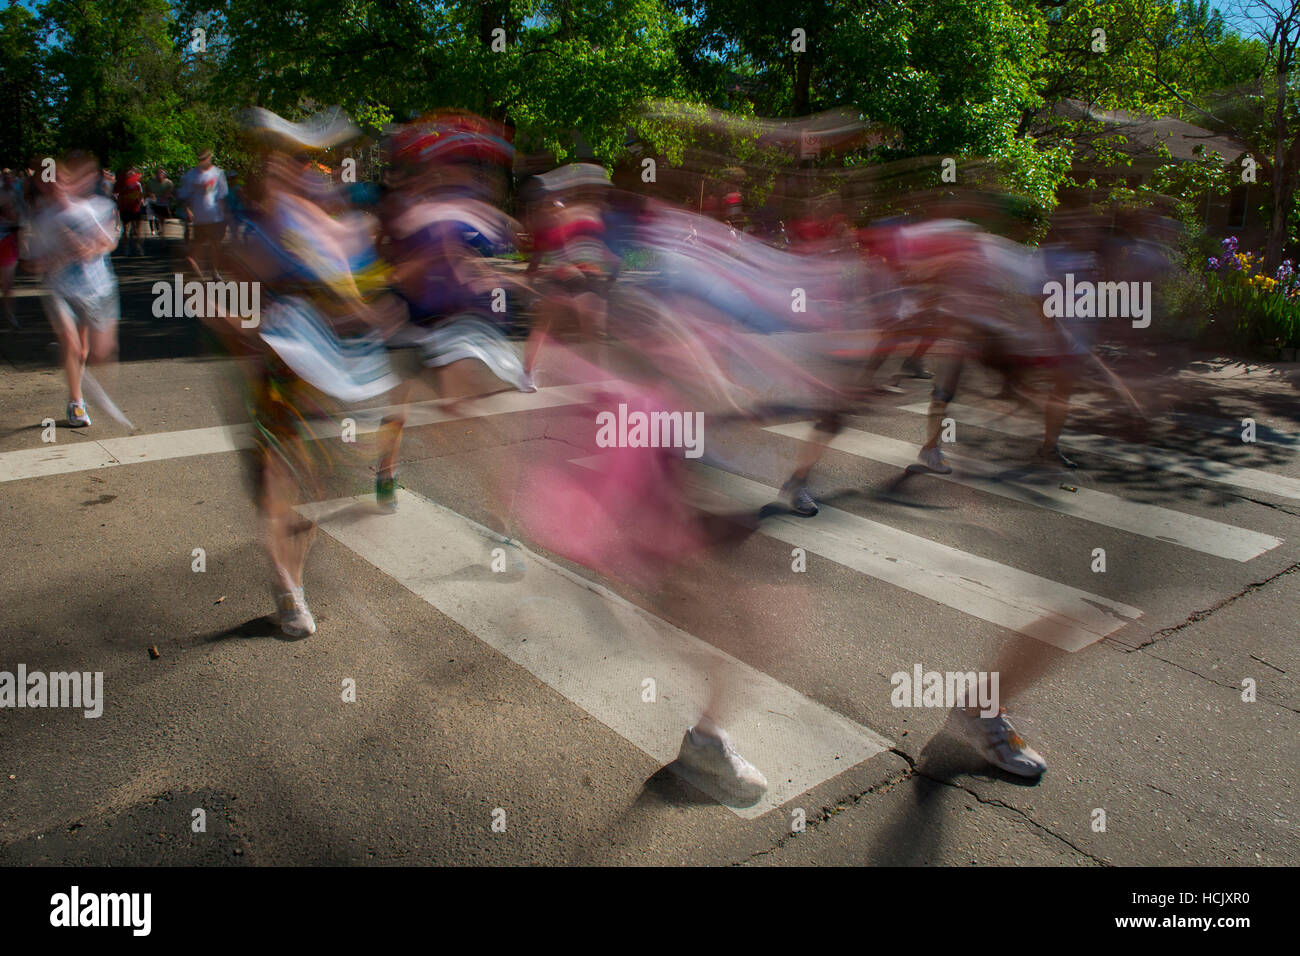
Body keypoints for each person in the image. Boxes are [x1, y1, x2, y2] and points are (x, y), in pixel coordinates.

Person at [24, 152, 123, 428]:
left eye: (58, 178)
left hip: (93, 288)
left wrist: (88, 248)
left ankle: (74, 389)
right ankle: (76, 404)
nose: (54, 185)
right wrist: (46, 261)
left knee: (87, 352)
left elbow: (109, 242)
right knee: (70, 340)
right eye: (47, 181)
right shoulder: (43, 220)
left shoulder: (93, 208)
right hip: (59, 289)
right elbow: (30, 263)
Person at [176, 149, 229, 279]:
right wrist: (188, 210)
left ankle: (214, 272)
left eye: (205, 158)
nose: (202, 161)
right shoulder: (191, 175)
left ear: (210, 158)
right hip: (199, 218)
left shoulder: (218, 173)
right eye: (200, 159)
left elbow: (222, 196)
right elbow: (185, 195)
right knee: (195, 249)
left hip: (215, 216)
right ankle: (200, 276)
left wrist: (225, 214)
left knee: (215, 245)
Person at [0, 168, 22, 328]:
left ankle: (10, 316)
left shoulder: (12, 195)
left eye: (10, 175)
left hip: (6, 242)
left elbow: (17, 222)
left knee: (7, 285)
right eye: (5, 175)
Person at [114, 166, 146, 255]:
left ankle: (138, 246)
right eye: (129, 173)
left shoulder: (137, 184)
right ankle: (126, 248)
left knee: (137, 229)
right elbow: (116, 194)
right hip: (125, 208)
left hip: (135, 208)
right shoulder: (123, 184)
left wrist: (141, 203)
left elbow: (140, 196)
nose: (131, 175)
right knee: (126, 229)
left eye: (132, 173)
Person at [144, 168, 174, 236]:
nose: (159, 175)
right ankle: (153, 230)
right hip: (153, 200)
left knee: (161, 216)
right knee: (151, 215)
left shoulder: (168, 182)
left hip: (163, 201)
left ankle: (161, 229)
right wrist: (150, 194)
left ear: (164, 175)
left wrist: (168, 194)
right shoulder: (151, 182)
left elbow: (171, 190)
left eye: (161, 173)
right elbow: (146, 190)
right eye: (158, 173)